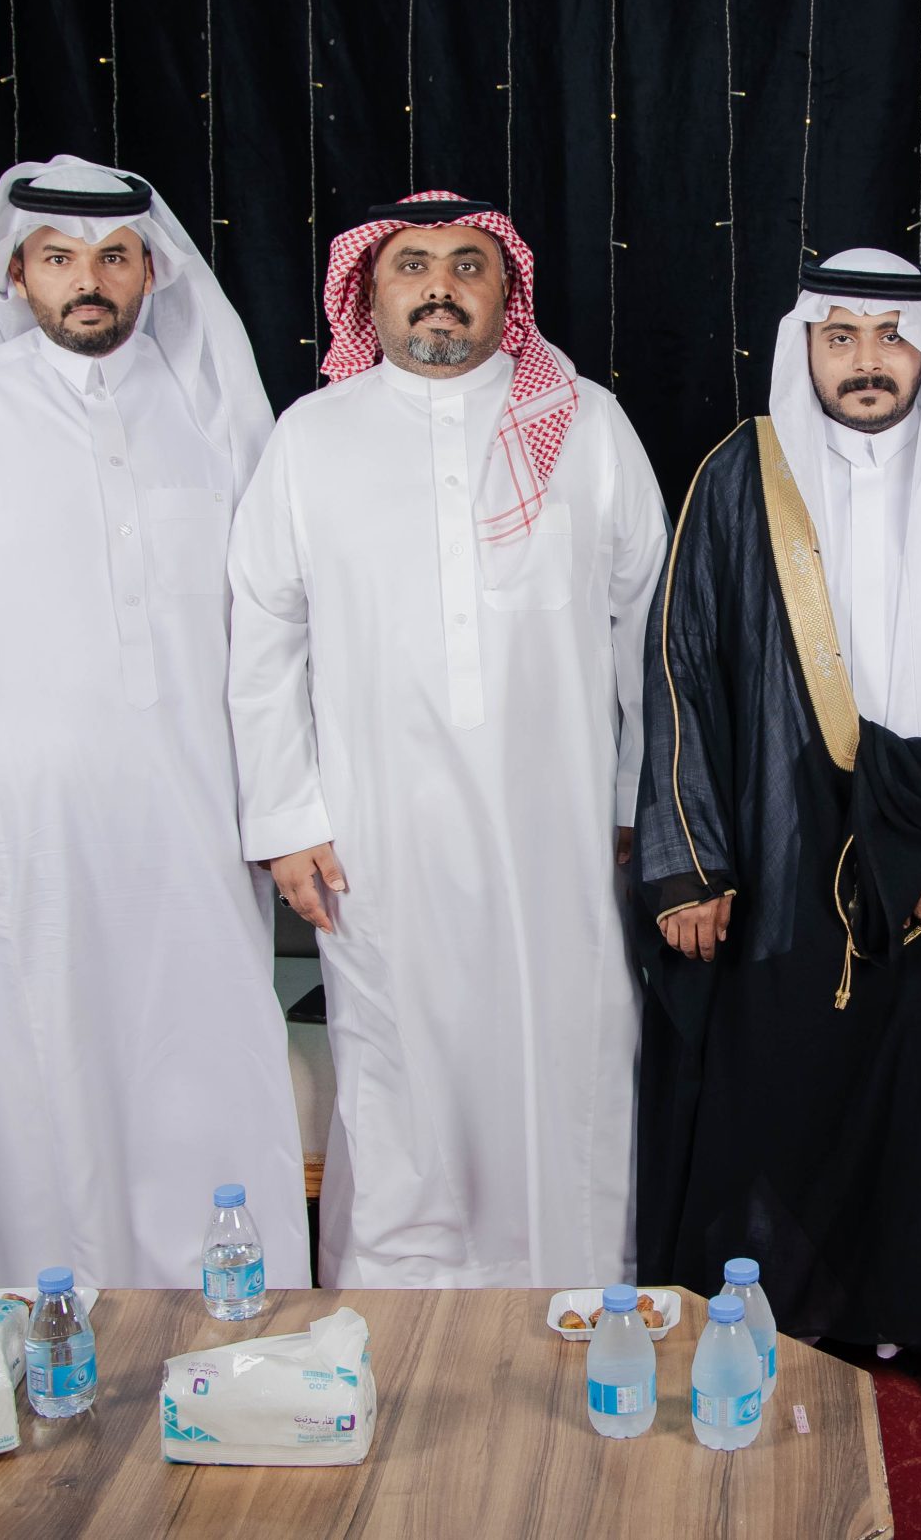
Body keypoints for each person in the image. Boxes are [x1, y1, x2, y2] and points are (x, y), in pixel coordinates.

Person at [636, 248, 921, 1437]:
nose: (866, 360)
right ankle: (788, 1315)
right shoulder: (743, 472)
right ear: (806, 349)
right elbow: (683, 666)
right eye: (838, 336)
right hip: (788, 843)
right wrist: (691, 861)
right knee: (790, 1076)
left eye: (889, 337)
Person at [0, 157, 306, 1291]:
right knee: (37, 1064)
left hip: (196, 806)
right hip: (15, 820)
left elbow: (274, 610)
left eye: (113, 256)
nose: (89, 279)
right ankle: (50, 1309)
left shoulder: (211, 402)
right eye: (59, 258)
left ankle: (229, 1302)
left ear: (150, 271)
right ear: (17, 276)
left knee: (207, 1050)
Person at [227, 192, 666, 1288]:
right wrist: (286, 821)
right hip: (375, 837)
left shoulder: (588, 423)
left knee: (567, 1057)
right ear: (366, 294)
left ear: (507, 288)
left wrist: (636, 802)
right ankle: (403, 1308)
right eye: (411, 265)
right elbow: (264, 636)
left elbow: (651, 632)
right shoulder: (310, 437)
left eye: (468, 265)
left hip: (561, 832)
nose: (439, 287)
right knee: (397, 1077)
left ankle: (576, 1292)